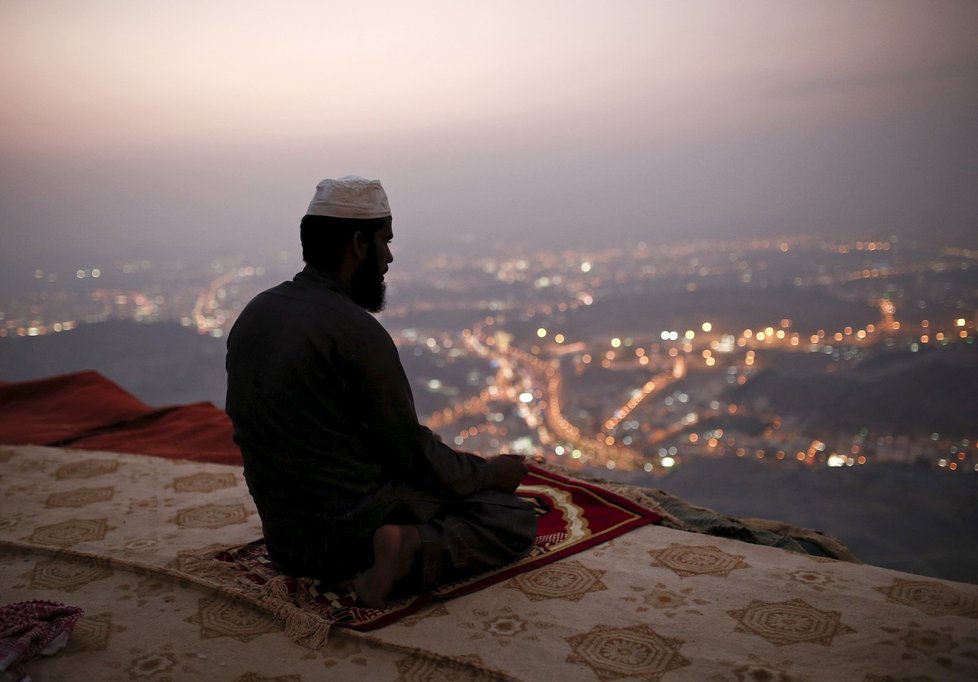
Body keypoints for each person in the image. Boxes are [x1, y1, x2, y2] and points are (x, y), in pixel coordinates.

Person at [225, 176, 537, 608]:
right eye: (385, 242)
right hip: (349, 537)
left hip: (285, 540)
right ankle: (408, 549)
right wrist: (487, 473)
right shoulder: (355, 331)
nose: (389, 257)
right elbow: (408, 451)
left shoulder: (256, 313)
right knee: (511, 516)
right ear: (358, 243)